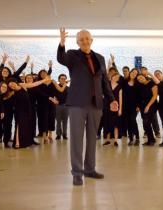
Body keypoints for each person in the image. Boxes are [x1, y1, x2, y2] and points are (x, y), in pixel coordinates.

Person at [57, 27, 118, 186]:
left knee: (92, 139)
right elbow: (61, 58)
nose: (85, 41)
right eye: (81, 39)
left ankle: (90, 169)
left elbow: (104, 81)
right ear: (77, 42)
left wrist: (111, 99)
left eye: (87, 38)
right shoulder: (72, 55)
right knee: (77, 140)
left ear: (91, 40)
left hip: (96, 104)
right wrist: (62, 43)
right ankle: (77, 173)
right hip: (77, 103)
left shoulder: (100, 58)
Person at [103, 72, 123, 146]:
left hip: (116, 107)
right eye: (115, 76)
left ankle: (115, 140)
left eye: (118, 77)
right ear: (112, 76)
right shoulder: (107, 85)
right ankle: (107, 140)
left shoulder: (119, 87)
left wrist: (120, 109)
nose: (116, 78)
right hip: (107, 106)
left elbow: (120, 99)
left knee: (116, 124)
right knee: (107, 123)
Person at [53, 74, 69, 140]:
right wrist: (54, 100)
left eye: (64, 78)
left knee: (65, 121)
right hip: (58, 106)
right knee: (58, 121)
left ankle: (64, 134)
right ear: (59, 79)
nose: (63, 80)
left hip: (66, 106)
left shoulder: (68, 88)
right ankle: (58, 135)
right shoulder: (55, 87)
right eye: (61, 78)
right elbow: (53, 96)